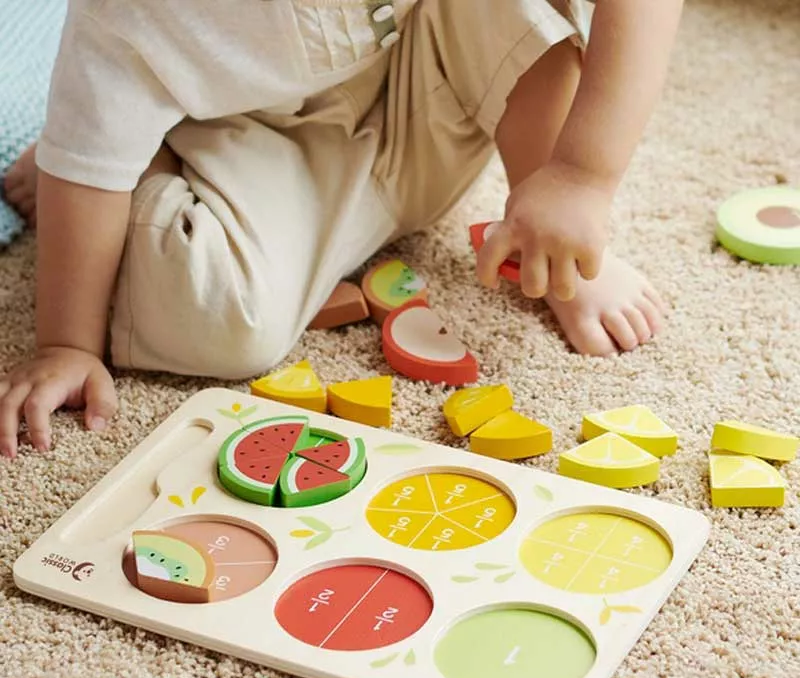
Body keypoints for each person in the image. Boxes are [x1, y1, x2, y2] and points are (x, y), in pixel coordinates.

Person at [0, 0, 681, 458]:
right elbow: (110, 66)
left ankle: (557, 240)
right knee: (217, 318)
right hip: (250, 141)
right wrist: (67, 341)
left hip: (421, 81)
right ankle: (130, 159)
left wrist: (582, 173)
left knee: (515, 10)